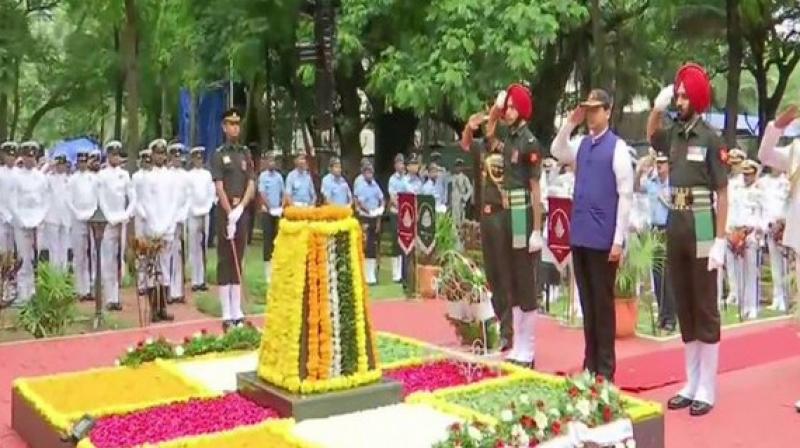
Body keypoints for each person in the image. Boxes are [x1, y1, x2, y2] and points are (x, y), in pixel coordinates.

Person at [647, 63, 728, 416]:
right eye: (676, 94)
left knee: (704, 305)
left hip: (703, 225)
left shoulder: (710, 138)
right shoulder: (675, 133)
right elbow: (652, 134)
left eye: (682, 95)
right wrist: (657, 105)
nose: (678, 100)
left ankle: (707, 386)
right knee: (684, 305)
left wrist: (721, 239)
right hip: (676, 222)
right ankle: (691, 382)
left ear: (696, 98)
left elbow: (723, 193)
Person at [551, 88, 634, 381]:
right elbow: (557, 150)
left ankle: (606, 368)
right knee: (587, 303)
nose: (591, 115)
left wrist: (618, 240)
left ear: (608, 112)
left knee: (602, 303)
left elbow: (625, 195)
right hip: (582, 233)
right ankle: (590, 362)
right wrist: (569, 123)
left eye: (596, 109)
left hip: (603, 237)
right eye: (588, 109)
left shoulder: (618, 147)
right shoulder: (583, 144)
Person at [461, 83, 543, 368]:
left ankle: (529, 348)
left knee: (525, 280)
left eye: (510, 106)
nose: (506, 111)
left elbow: (536, 190)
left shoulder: (529, 143)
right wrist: (495, 109)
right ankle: (519, 345)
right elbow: (490, 131)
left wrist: (537, 228)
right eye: (506, 107)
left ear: (520, 110)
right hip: (508, 214)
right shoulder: (509, 141)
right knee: (512, 277)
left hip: (521, 212)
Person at [210, 108, 256, 331]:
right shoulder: (219, 154)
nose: (234, 127)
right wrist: (230, 213)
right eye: (230, 124)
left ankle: (237, 309)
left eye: (237, 124)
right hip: (224, 213)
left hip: (242, 212)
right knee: (225, 259)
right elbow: (219, 186)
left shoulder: (245, 153)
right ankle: (226, 311)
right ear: (224, 127)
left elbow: (251, 184)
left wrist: (240, 210)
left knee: (239, 257)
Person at [139, 139, 181, 322]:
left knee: (165, 268)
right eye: (157, 153)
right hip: (152, 227)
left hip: (167, 227)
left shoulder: (172, 177)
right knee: (151, 269)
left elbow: (174, 203)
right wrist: (154, 226)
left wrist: (168, 225)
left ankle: (163, 307)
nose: (160, 157)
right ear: (152, 155)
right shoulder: (147, 178)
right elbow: (145, 204)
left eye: (163, 154)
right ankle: (153, 309)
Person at [636, 151, 676, 331]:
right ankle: (662, 313)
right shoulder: (651, 183)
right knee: (657, 275)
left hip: (669, 229)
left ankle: (670, 316)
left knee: (669, 275)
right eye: (657, 163)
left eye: (662, 163)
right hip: (654, 230)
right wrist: (640, 171)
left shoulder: (675, 184)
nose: (659, 166)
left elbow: (683, 205)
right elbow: (636, 188)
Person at [96, 141, 137, 311]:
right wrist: (109, 217)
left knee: (119, 258)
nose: (115, 158)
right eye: (112, 154)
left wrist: (126, 214)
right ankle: (108, 297)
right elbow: (101, 199)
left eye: (118, 154)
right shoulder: (101, 175)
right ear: (107, 155)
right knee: (107, 259)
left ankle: (117, 296)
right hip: (108, 221)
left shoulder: (125, 175)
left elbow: (132, 197)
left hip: (121, 218)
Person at [9, 142, 48, 305]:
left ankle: (33, 291)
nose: (30, 160)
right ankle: (23, 292)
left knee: (35, 258)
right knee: (23, 258)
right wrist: (21, 220)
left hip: (37, 221)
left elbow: (45, 201)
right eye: (28, 156)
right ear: (23, 157)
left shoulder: (41, 177)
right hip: (21, 221)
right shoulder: (15, 176)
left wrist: (39, 219)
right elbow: (12, 201)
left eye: (33, 156)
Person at [67, 148, 99, 302]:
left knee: (93, 253)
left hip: (92, 218)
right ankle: (80, 288)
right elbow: (69, 200)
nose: (82, 164)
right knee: (79, 254)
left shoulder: (94, 178)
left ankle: (92, 286)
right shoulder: (72, 179)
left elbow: (97, 198)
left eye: (85, 161)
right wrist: (77, 213)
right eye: (80, 162)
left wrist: (92, 212)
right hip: (78, 218)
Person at [186, 146, 216, 292]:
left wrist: (208, 207)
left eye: (200, 158)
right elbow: (188, 195)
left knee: (203, 246)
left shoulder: (207, 175)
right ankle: (194, 280)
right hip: (193, 213)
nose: (198, 160)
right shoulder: (189, 175)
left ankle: (202, 278)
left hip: (205, 212)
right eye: (196, 158)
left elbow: (211, 193)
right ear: (192, 159)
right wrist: (193, 209)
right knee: (194, 246)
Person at [166, 142, 190, 304]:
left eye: (179, 157)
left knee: (180, 253)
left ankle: (178, 290)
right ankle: (168, 289)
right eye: (174, 157)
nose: (177, 160)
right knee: (168, 254)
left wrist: (183, 214)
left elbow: (188, 198)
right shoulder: (167, 175)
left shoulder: (185, 176)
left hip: (182, 218)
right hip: (168, 219)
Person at [354, 163, 385, 285]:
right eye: (367, 172)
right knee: (365, 245)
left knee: (373, 246)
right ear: (363, 173)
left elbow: (381, 198)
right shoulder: (360, 185)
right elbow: (360, 203)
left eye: (371, 172)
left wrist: (380, 208)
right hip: (365, 217)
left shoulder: (375, 185)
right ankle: (364, 273)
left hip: (374, 217)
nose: (370, 175)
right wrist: (370, 211)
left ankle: (371, 275)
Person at [257, 151, 284, 282]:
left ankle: (276, 268)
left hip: (277, 211)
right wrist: (270, 207)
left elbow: (283, 193)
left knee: (276, 240)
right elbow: (262, 193)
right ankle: (267, 270)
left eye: (274, 160)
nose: (272, 163)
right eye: (270, 160)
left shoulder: (279, 177)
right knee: (267, 240)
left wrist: (280, 206)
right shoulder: (263, 176)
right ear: (266, 162)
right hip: (267, 212)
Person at [42, 154, 71, 271]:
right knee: (53, 249)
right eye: (58, 164)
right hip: (52, 217)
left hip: (66, 218)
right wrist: (48, 165)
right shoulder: (49, 178)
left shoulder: (70, 179)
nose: (60, 167)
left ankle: (63, 274)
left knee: (64, 248)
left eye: (62, 164)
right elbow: (38, 177)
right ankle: (54, 275)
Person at [132, 149, 152, 294]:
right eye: (144, 160)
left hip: (153, 216)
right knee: (141, 250)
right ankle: (141, 282)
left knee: (152, 249)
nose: (146, 163)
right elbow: (135, 198)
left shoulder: (154, 176)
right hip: (140, 217)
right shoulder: (136, 177)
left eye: (148, 160)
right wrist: (141, 211)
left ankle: (150, 281)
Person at [387, 154, 407, 283]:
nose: (401, 165)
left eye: (402, 163)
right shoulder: (392, 179)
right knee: (395, 242)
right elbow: (393, 197)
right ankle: (395, 274)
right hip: (396, 213)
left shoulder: (407, 179)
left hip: (407, 215)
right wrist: (402, 207)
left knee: (405, 242)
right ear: (395, 165)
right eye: (398, 163)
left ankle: (404, 273)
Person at [0, 142, 18, 255]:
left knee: (12, 248)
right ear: (3, 156)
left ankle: (10, 271)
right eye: (8, 155)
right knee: (2, 247)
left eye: (12, 156)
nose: (10, 158)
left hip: (15, 215)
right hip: (1, 215)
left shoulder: (19, 173)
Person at [450, 158, 473, 228]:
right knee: (452, 222)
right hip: (453, 202)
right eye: (457, 166)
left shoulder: (464, 178)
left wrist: (465, 198)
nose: (458, 167)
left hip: (460, 201)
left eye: (460, 166)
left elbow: (470, 189)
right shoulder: (451, 177)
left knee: (461, 222)